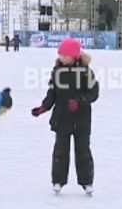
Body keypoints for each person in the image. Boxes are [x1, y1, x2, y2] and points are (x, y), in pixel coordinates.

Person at [31, 38, 99, 195]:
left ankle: (87, 182)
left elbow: (94, 93)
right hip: (62, 118)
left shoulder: (85, 72)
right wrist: (43, 107)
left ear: (74, 56)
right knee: (60, 151)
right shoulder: (57, 72)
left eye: (65, 55)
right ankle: (58, 181)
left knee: (83, 151)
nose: (61, 57)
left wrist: (80, 101)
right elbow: (52, 94)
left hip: (81, 119)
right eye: (60, 54)